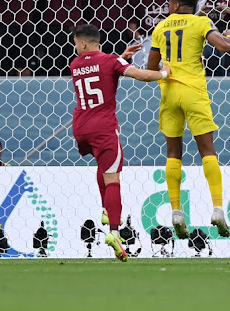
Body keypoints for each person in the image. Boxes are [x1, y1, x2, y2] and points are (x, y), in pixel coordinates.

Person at [70, 24, 171, 262]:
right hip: (104, 128)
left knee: (102, 166)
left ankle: (106, 209)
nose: (75, 48)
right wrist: (164, 73)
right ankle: (114, 232)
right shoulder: (110, 62)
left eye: (75, 43)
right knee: (113, 177)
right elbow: (141, 76)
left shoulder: (75, 65)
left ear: (83, 43)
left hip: (81, 126)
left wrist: (120, 58)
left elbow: (100, 70)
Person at [146, 0, 230, 240]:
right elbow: (223, 47)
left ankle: (176, 212)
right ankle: (218, 208)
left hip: (169, 94)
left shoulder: (160, 27)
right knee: (208, 151)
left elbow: (151, 67)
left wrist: (166, 67)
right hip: (194, 92)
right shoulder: (201, 21)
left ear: (174, 6)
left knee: (173, 154)